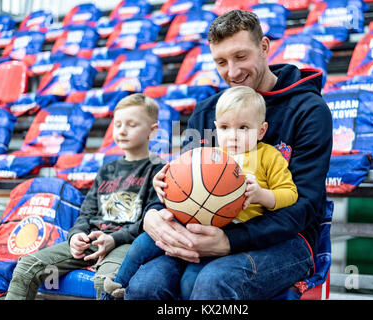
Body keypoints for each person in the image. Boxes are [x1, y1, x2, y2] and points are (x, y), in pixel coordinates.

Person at [126, 9, 333, 300]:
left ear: (264, 47)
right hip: (206, 229)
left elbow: (306, 205)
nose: (232, 72)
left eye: (241, 57)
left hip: (289, 239)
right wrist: (153, 214)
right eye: (221, 62)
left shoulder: (309, 111)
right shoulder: (208, 111)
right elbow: (184, 184)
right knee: (146, 285)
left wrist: (230, 241)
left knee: (214, 282)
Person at [102, 86, 298, 299]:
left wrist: (262, 195)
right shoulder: (208, 155)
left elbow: (289, 194)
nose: (233, 136)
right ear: (215, 129)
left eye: (243, 128)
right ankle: (115, 288)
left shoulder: (269, 157)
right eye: (225, 127)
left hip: (227, 236)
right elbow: (178, 176)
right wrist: (163, 183)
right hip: (189, 224)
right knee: (142, 243)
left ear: (261, 130)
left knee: (190, 283)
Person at [5, 93, 165, 300]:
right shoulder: (106, 170)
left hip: (128, 243)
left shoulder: (158, 170)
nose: (122, 131)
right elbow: (86, 213)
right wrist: (76, 236)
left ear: (152, 131)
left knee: (106, 282)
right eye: (117, 125)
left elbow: (150, 221)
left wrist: (114, 239)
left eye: (131, 125)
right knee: (27, 267)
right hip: (92, 239)